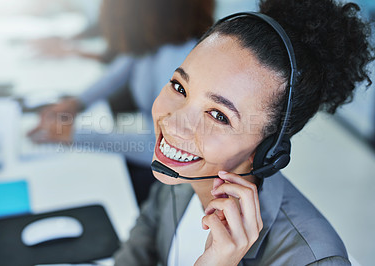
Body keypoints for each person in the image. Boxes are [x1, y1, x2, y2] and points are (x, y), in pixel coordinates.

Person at [112, 0, 374, 265]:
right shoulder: (179, 179)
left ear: (268, 151)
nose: (174, 124)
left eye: (218, 115)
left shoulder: (312, 260)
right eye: (180, 87)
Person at [28, 0, 215, 205]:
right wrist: (76, 103)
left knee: (78, 185)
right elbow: (115, 74)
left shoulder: (180, 62)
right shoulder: (153, 43)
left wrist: (76, 134)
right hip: (147, 154)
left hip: (167, 174)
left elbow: (160, 148)